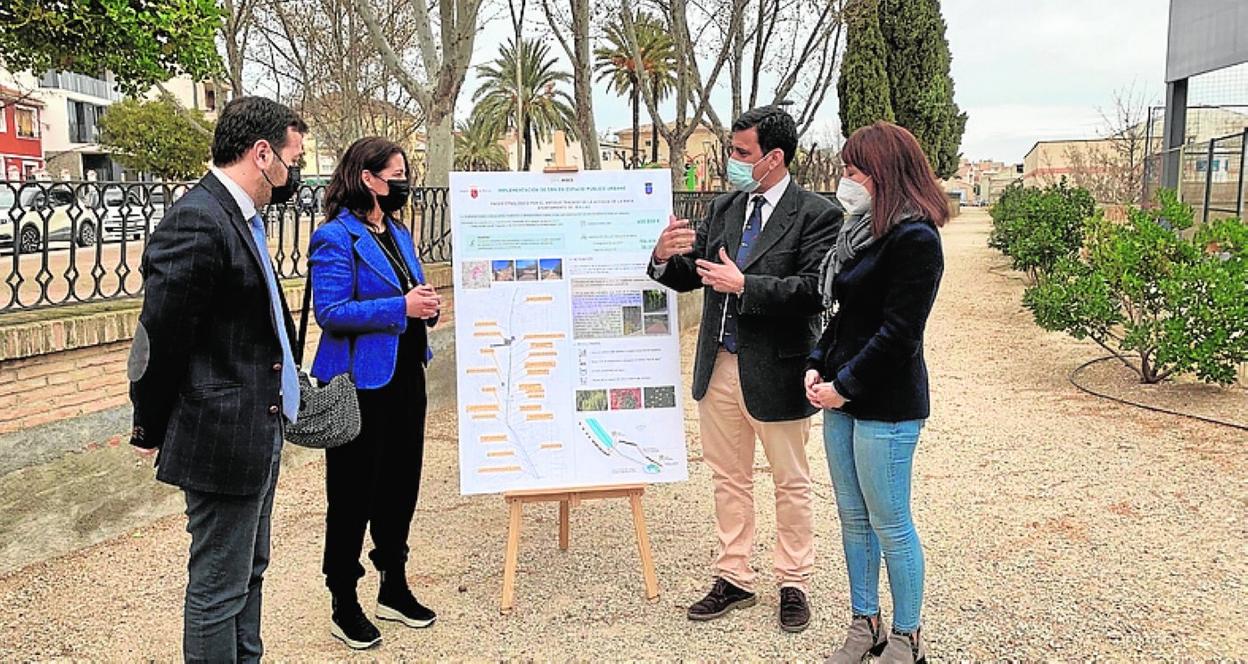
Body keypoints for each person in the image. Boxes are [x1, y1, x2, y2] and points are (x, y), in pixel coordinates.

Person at [648, 106, 841, 632]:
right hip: (720, 367)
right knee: (728, 479)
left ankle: (793, 581)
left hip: (778, 370)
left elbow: (813, 293)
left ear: (774, 158)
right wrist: (665, 257)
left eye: (741, 154)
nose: (732, 162)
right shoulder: (728, 207)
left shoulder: (817, 214)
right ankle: (734, 576)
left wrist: (747, 287)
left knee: (790, 481)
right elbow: (694, 275)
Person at [127, 96, 307, 662]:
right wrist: (148, 428)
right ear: (261, 154)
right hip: (222, 437)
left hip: (259, 429)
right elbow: (161, 341)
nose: (292, 173)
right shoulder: (198, 222)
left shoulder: (238, 218)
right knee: (217, 589)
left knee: (249, 572)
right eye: (291, 159)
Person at [806, 121, 948, 664]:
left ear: (882, 173)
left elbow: (899, 333)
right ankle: (865, 622)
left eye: (852, 170)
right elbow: (843, 314)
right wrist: (818, 363)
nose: (845, 179)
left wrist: (845, 386)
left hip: (886, 404)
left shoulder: (915, 238)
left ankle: (908, 637)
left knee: (891, 520)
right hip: (840, 398)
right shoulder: (860, 232)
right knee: (852, 517)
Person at [308, 137, 441, 650]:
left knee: (401, 484)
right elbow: (332, 313)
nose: (404, 181)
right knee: (351, 494)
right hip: (358, 385)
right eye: (397, 173)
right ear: (368, 177)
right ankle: (344, 599)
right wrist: (398, 309)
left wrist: (426, 309)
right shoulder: (334, 238)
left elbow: (412, 290)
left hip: (406, 374)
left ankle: (394, 584)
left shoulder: (399, 232)